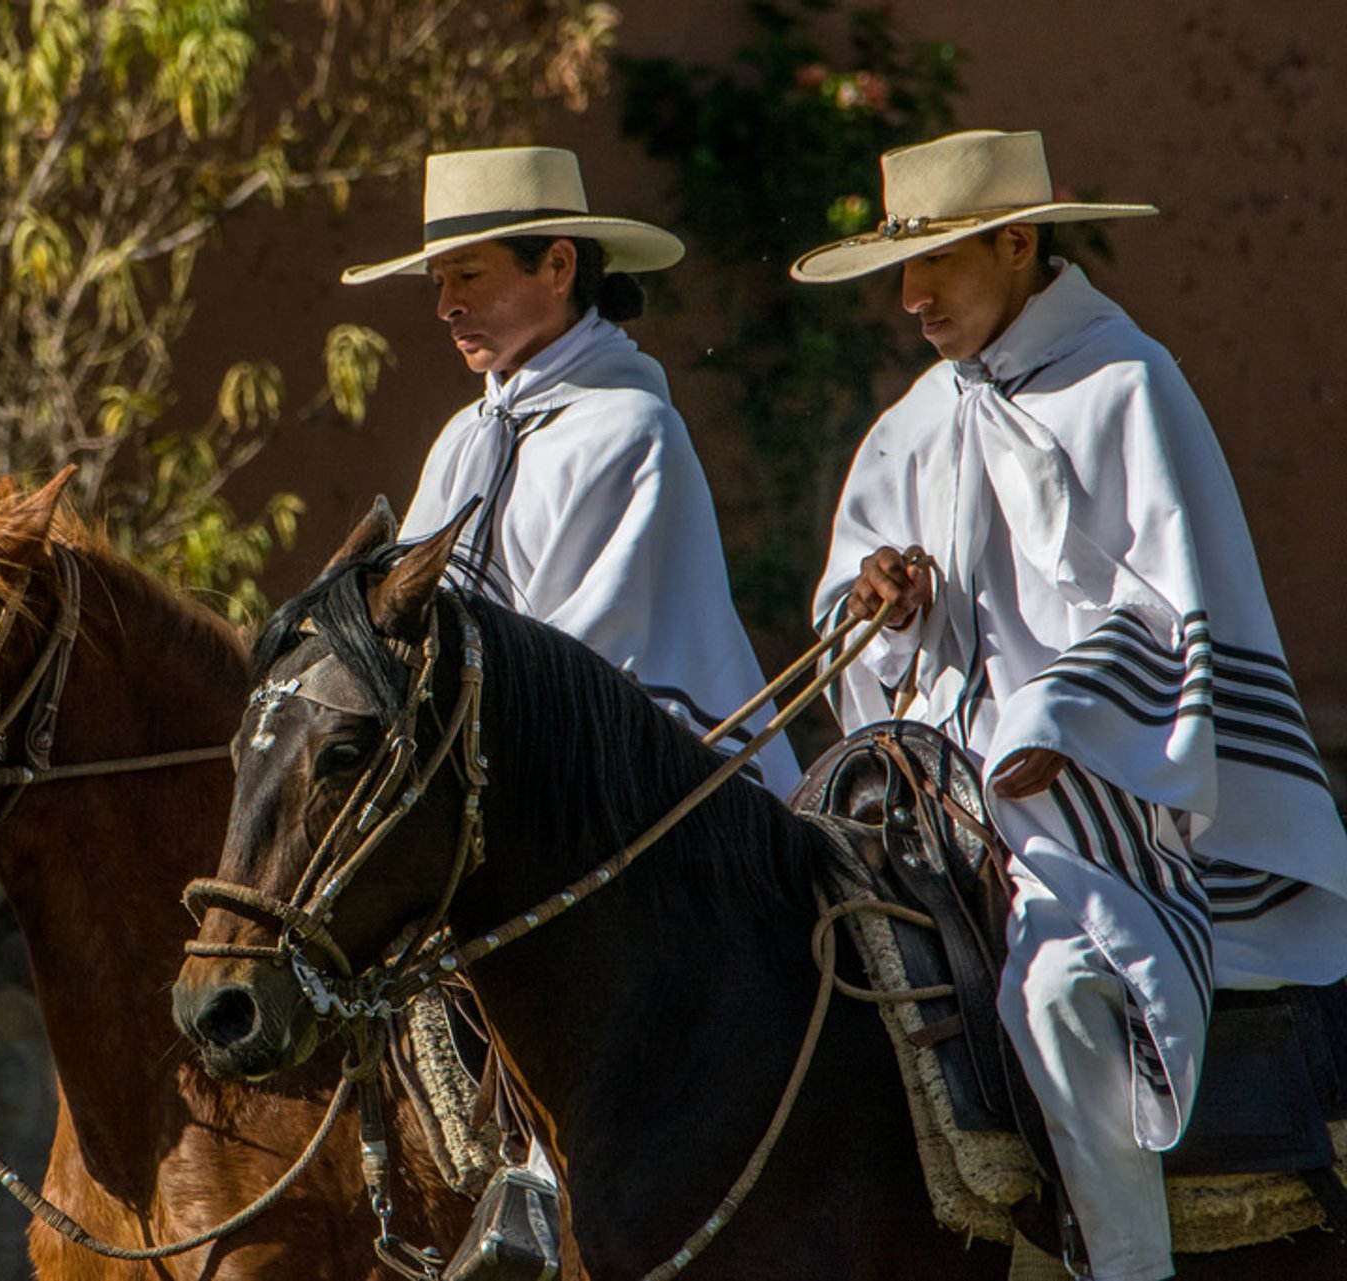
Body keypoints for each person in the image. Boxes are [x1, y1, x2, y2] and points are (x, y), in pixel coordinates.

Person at [795, 128, 1347, 1280]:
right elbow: (861, 625)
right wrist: (884, 604)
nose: (911, 297)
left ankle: (1129, 1261)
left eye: (937, 262)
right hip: (942, 802)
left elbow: (1169, 609)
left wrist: (1052, 719)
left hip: (1117, 802)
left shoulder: (1127, 383)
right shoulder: (916, 418)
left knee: (1060, 992)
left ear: (1015, 242)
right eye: (903, 270)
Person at [342, 144, 799, 797]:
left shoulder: (634, 430)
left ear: (558, 265)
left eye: (467, 275)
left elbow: (589, 655)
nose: (445, 305)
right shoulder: (462, 439)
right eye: (437, 281)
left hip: (623, 798)